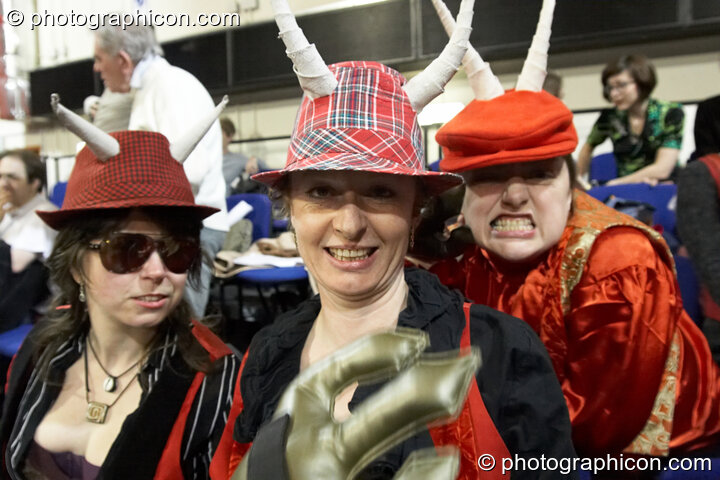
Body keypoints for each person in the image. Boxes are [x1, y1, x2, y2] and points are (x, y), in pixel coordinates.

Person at [228, 1, 577, 478]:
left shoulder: (500, 354)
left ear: (416, 211)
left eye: (379, 192)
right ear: (291, 208)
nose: (349, 224)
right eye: (321, 192)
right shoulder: (265, 355)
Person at [429, 0, 720, 460]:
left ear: (570, 184)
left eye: (539, 173)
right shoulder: (469, 251)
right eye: (487, 176)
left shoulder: (617, 263)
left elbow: (599, 426)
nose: (514, 196)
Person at [0, 96, 242, 479]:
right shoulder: (42, 348)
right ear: (78, 263)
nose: (157, 271)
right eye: (128, 250)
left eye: (177, 251)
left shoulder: (218, 380)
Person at [93, 24, 228, 318]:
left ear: (124, 61)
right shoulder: (155, 88)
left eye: (99, 58)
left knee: (177, 328)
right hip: (171, 224)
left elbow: (190, 171)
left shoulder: (171, 87)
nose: (97, 67)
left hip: (190, 227)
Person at [576, 54, 684, 186]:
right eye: (610, 88)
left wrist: (614, 184)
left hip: (664, 186)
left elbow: (663, 169)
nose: (614, 94)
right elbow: (588, 146)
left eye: (621, 85)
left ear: (641, 82)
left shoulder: (670, 112)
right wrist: (579, 181)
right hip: (626, 190)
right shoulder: (610, 117)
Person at [0, 149, 56, 331]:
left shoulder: (43, 214)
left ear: (34, 183)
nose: (3, 184)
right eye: (0, 176)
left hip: (31, 310)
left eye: (12, 177)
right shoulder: (9, 213)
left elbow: (15, 266)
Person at [220, 117, 267, 196]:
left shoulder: (236, 160)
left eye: (219, 133)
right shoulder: (203, 159)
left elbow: (264, 167)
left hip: (224, 204)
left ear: (229, 136)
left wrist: (253, 159)